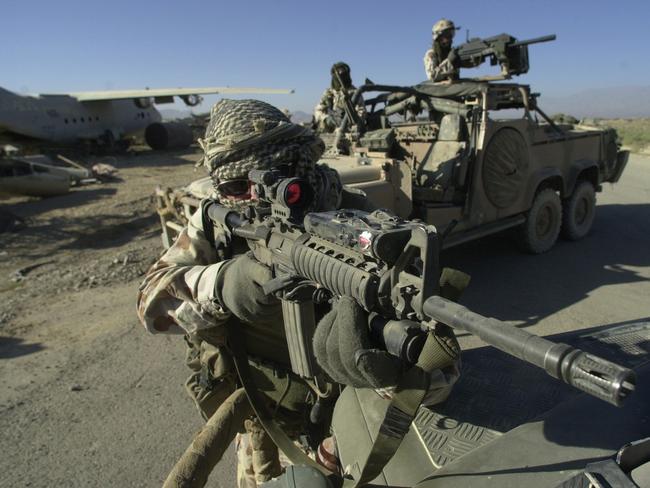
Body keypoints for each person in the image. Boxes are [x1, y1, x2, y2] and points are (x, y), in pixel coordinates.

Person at [137, 99, 459, 487]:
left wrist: (391, 370)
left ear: (296, 166)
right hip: (261, 420)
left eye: (268, 181)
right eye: (236, 187)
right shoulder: (219, 220)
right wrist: (222, 284)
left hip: (343, 433)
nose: (250, 198)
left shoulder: (355, 219)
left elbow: (437, 372)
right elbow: (151, 304)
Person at [313, 62, 366, 133]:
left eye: (343, 74)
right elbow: (318, 110)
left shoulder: (354, 93)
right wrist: (326, 119)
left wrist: (349, 123)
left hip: (348, 130)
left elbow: (361, 112)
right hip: (329, 131)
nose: (341, 77)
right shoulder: (329, 93)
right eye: (338, 74)